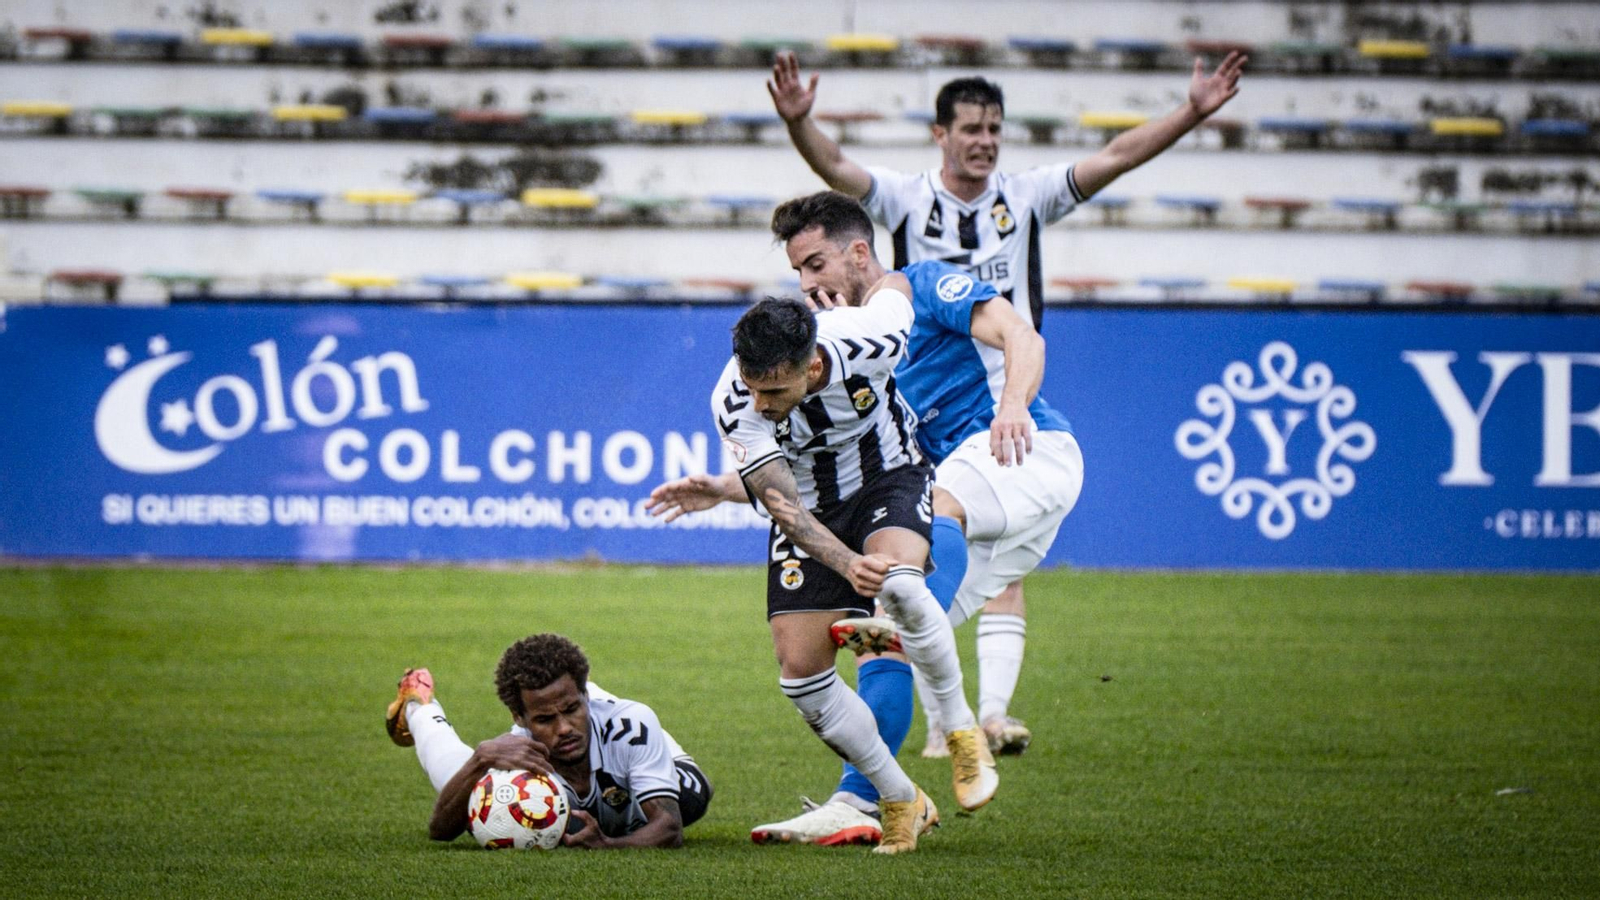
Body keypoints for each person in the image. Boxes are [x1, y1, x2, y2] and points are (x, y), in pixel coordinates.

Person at [768, 54, 1239, 754]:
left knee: (940, 531)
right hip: (939, 411)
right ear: (940, 134)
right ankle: (895, 774)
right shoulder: (906, 202)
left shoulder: (1020, 201)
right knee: (902, 605)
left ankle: (985, 714)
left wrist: (1193, 111)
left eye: (994, 129)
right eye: (971, 128)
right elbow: (835, 168)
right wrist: (799, 123)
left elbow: (1115, 157)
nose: (985, 141)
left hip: (1001, 400)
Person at [746, 190, 1084, 845]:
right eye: (797, 272)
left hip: (1025, 451)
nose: (806, 283)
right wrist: (721, 487)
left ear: (858, 253)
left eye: (815, 264)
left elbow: (1021, 333)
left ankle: (960, 723)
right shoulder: (839, 347)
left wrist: (1013, 405)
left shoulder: (922, 287)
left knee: (924, 535)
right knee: (891, 634)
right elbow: (829, 462)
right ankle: (861, 800)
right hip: (985, 510)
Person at [647, 295, 998, 853]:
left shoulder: (872, 336)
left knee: (901, 586)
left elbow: (896, 290)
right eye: (752, 387)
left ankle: (960, 730)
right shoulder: (734, 401)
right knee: (801, 676)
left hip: (889, 477)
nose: (759, 404)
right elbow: (784, 507)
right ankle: (899, 796)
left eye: (773, 391)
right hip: (809, 506)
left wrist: (864, 283)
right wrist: (847, 563)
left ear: (812, 367)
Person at [384, 632, 712, 849]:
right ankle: (418, 706)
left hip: (618, 735)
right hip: (539, 757)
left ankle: (582, 702)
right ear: (519, 717)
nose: (564, 728)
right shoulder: (515, 768)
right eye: (544, 719)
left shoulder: (629, 726)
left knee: (692, 797)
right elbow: (440, 831)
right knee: (471, 792)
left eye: (571, 709)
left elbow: (670, 829)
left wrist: (608, 846)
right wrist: (480, 760)